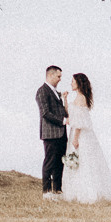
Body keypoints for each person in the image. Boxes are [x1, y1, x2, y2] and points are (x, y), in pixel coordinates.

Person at [60, 70, 111, 204]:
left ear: (78, 83)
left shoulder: (81, 98)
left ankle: (87, 192)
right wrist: (65, 99)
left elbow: (79, 122)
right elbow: (70, 114)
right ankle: (76, 191)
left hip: (80, 135)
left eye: (72, 81)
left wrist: (75, 138)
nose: (70, 83)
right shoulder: (78, 97)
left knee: (83, 162)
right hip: (75, 133)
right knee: (78, 162)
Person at [35, 66, 68, 198]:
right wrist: (63, 121)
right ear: (50, 75)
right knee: (49, 162)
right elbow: (45, 113)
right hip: (50, 134)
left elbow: (61, 111)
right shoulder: (42, 91)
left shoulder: (55, 92)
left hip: (61, 134)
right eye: (58, 76)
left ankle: (57, 190)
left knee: (60, 162)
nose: (60, 79)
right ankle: (47, 191)